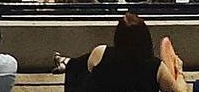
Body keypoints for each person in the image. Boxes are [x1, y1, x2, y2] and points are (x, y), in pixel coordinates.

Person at [56, 12, 187, 92]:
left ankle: (67, 62)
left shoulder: (100, 52)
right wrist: (179, 71)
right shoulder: (156, 67)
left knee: (79, 65)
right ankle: (67, 62)